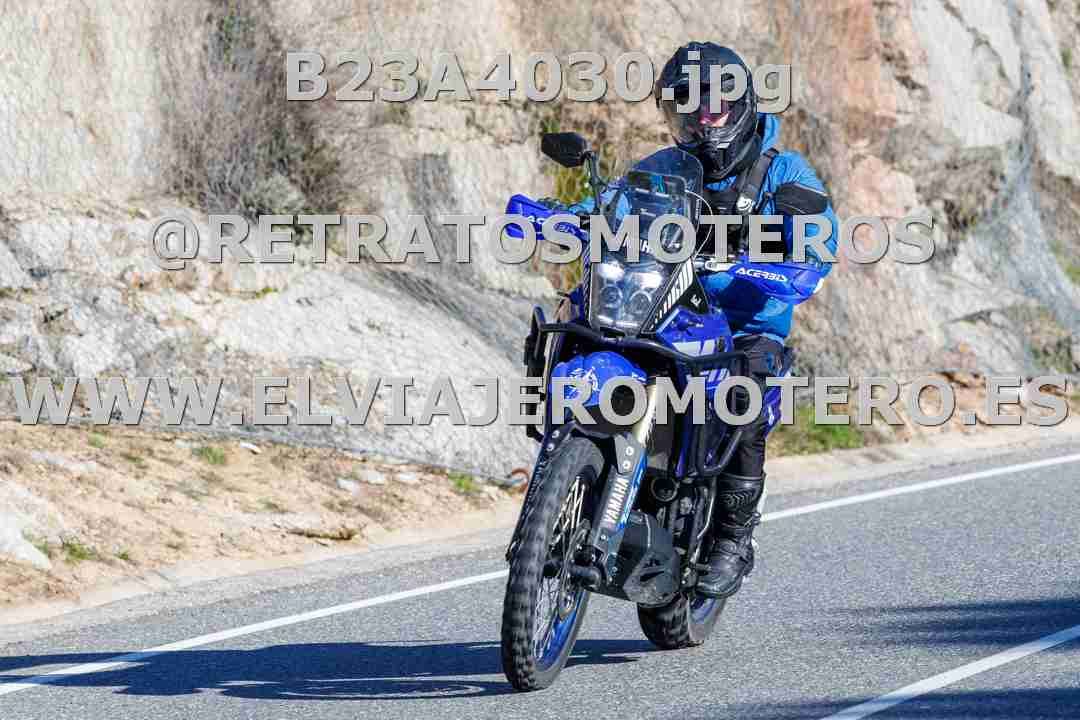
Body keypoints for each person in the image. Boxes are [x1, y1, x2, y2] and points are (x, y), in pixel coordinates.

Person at [542, 42, 838, 600]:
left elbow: (818, 237)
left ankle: (732, 538)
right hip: (665, 307)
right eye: (687, 106)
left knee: (744, 394)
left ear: (742, 104)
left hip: (745, 320)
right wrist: (561, 219)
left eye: (714, 106)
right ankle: (560, 479)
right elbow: (613, 206)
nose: (702, 118)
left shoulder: (782, 171)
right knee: (574, 324)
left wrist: (790, 257)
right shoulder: (662, 169)